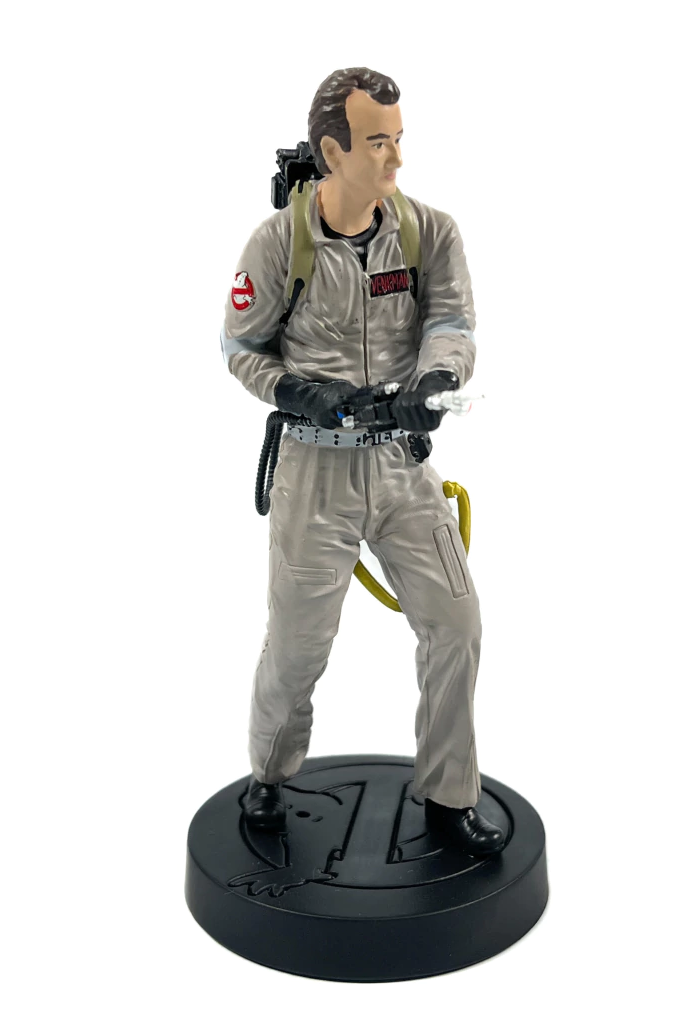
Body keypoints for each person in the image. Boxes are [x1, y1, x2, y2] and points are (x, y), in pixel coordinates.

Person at [220, 68, 504, 855]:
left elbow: (452, 323)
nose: (396, 158)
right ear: (332, 151)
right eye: (378, 142)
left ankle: (449, 795)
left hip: (399, 466)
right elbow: (240, 347)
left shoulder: (428, 233)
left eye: (399, 139)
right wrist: (296, 391)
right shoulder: (278, 244)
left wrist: (437, 378)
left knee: (456, 624)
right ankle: (269, 776)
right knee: (297, 647)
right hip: (314, 474)